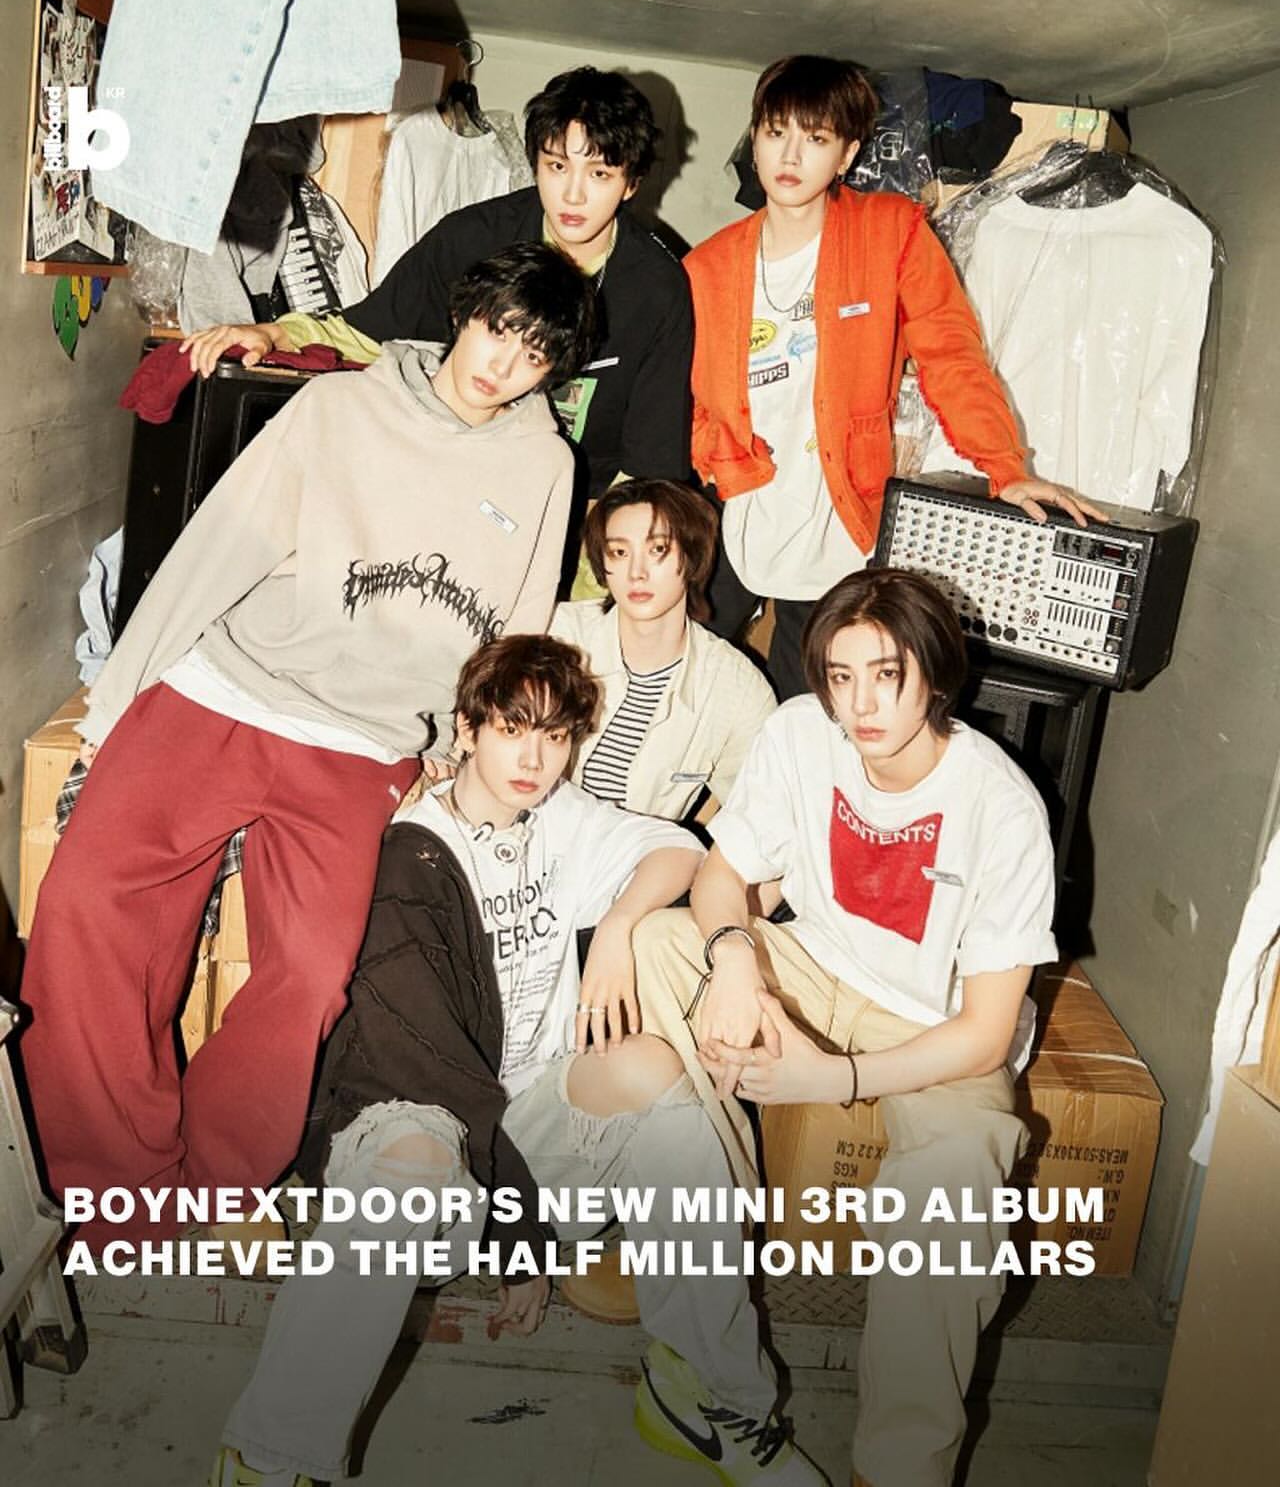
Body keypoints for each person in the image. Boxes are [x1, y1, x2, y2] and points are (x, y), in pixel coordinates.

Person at [20, 244, 594, 1254]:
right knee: (85, 905)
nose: (503, 365)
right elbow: (213, 553)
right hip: (229, 687)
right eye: (496, 330)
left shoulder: (545, 466)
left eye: (535, 355)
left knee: (317, 973)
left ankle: (206, 1189)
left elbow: (515, 632)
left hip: (365, 741)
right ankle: (114, 1190)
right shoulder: (336, 409)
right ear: (464, 315)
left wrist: (458, 755)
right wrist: (113, 706)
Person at [212, 634, 826, 1487]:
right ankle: (267, 1455)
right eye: (512, 729)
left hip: (525, 1137)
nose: (535, 758)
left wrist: (619, 927)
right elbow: (428, 1075)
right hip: (418, 1139)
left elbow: (682, 851)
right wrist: (522, 1243)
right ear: (467, 730)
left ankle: (708, 1393)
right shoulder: (410, 852)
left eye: (556, 735)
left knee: (652, 1069)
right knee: (414, 1160)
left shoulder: (558, 816)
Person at [633, 568, 1059, 1487]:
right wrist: (735, 959)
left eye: (886, 675)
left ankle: (898, 1468)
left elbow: (986, 1033)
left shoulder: (1003, 808)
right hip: (815, 965)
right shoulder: (802, 733)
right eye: (840, 675)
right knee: (664, 944)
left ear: (934, 676)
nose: (859, 704)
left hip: (936, 1027)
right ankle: (707, 1309)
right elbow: (723, 877)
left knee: (953, 1192)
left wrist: (839, 1080)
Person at [686, 54, 1100, 698]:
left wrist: (1005, 466)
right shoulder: (707, 265)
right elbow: (691, 393)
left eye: (815, 138)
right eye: (775, 133)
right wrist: (711, 456)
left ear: (847, 154)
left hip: (840, 507)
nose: (790, 156)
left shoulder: (890, 232)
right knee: (681, 680)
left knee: (813, 699)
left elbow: (951, 355)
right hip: (738, 498)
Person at [182, 66, 693, 502]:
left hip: (582, 505)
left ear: (631, 183)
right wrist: (273, 334)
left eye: (599, 174)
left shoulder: (659, 290)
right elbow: (368, 331)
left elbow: (649, 468)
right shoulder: (473, 238)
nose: (573, 195)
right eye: (557, 166)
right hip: (449, 476)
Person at [551, 476, 776, 821]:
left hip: (644, 852)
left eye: (657, 550)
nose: (636, 573)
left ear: (692, 556)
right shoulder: (558, 635)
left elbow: (763, 818)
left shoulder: (736, 689)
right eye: (620, 552)